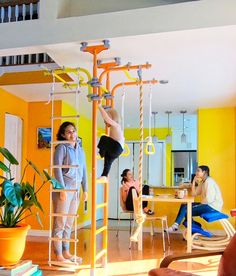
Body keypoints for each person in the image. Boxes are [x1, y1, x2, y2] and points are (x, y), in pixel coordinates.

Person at [52, 121, 88, 263]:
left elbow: (84, 170)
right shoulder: (62, 148)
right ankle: (58, 255)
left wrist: (85, 189)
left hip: (76, 189)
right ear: (63, 135)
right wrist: (61, 189)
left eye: (74, 131)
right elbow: (57, 168)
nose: (72, 134)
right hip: (65, 188)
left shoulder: (80, 150)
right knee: (60, 222)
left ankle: (66, 252)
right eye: (69, 132)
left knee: (69, 223)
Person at [167, 165, 223, 233]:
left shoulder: (209, 182)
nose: (196, 172)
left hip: (212, 207)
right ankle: (191, 227)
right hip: (206, 204)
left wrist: (199, 205)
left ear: (204, 172)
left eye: (198, 171)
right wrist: (193, 181)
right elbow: (194, 193)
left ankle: (178, 226)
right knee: (184, 205)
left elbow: (209, 199)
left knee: (187, 210)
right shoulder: (203, 182)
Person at [97, 105, 124, 182]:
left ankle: (100, 154)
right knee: (108, 161)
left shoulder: (116, 125)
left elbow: (106, 118)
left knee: (103, 138)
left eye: (105, 121)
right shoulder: (115, 127)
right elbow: (107, 118)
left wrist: (100, 107)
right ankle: (104, 175)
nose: (105, 122)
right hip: (117, 149)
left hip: (117, 147)